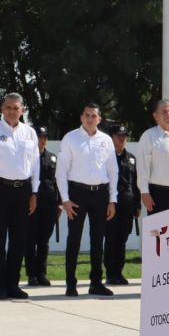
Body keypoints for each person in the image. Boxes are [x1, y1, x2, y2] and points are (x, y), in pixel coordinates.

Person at [0, 92, 40, 300]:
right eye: (8, 107)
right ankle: (0, 285)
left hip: (23, 191)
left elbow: (35, 165)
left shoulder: (30, 133)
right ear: (2, 109)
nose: (12, 111)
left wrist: (34, 192)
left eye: (16, 108)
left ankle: (13, 284)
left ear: (22, 110)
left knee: (19, 240)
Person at [56, 103, 118, 297]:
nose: (90, 119)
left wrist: (112, 200)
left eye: (94, 116)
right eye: (87, 115)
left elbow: (113, 171)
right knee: (74, 239)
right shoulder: (70, 138)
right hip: (77, 194)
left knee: (98, 240)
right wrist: (65, 200)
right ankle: (70, 283)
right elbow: (61, 171)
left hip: (100, 194)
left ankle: (96, 283)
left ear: (99, 119)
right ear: (81, 117)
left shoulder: (106, 140)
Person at [104, 123, 139, 286]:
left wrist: (137, 205)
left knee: (122, 239)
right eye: (119, 136)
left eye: (124, 136)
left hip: (128, 204)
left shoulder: (131, 158)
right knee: (111, 238)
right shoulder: (106, 157)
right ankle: (110, 273)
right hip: (112, 204)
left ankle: (119, 272)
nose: (122, 139)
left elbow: (135, 183)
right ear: (111, 137)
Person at [26, 126, 61, 287]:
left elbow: (58, 181)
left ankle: (41, 273)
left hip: (50, 204)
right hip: (33, 204)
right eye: (40, 137)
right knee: (30, 240)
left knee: (44, 240)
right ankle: (31, 275)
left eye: (45, 137)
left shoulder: (53, 158)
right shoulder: (28, 156)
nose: (43, 140)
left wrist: (59, 204)